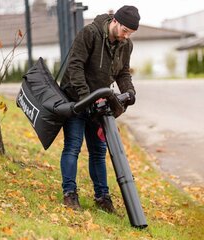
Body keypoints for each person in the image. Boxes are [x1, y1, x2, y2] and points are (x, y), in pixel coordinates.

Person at [59, 5, 140, 212]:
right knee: (73, 146)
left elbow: (122, 72)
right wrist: (87, 98)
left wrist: (129, 91)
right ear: (115, 22)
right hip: (76, 99)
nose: (126, 36)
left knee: (98, 151)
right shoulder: (90, 33)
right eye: (125, 31)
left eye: (130, 34)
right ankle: (70, 194)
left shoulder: (125, 45)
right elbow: (74, 67)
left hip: (100, 103)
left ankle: (102, 198)